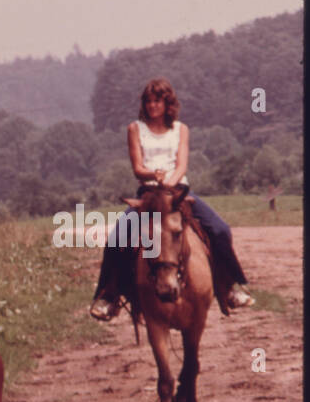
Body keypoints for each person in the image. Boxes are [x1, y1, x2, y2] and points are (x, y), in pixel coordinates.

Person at [90, 77, 253, 320]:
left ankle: (228, 287)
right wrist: (152, 175)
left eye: (158, 101)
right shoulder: (135, 129)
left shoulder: (181, 129)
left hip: (178, 191)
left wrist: (171, 181)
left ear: (168, 104)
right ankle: (109, 296)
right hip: (148, 194)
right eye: (148, 101)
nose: (152, 106)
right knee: (117, 238)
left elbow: (182, 164)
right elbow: (137, 167)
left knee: (220, 230)